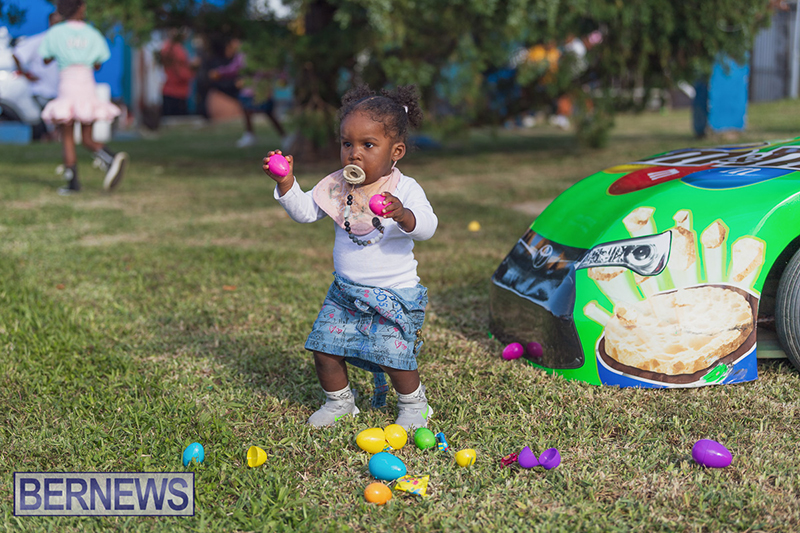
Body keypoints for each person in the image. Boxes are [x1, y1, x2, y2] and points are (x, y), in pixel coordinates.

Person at [263, 84, 437, 430]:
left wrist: (403, 215)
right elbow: (305, 212)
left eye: (368, 145)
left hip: (393, 293)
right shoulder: (337, 186)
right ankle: (340, 402)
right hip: (345, 292)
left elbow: (428, 227)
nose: (354, 154)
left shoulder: (404, 189)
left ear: (395, 151)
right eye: (347, 144)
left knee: (395, 355)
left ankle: (415, 405)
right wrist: (286, 184)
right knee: (325, 348)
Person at [38, 0, 129, 195]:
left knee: (68, 137)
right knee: (87, 137)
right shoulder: (92, 33)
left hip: (68, 84)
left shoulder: (56, 32)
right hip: (87, 85)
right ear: (80, 8)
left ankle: (72, 183)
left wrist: (62, 49)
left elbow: (45, 59)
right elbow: (98, 64)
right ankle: (109, 157)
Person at [210, 38, 285, 148]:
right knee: (247, 110)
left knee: (268, 112)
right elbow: (234, 68)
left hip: (261, 88)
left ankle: (283, 136)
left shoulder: (257, 52)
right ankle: (250, 134)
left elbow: (272, 68)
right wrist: (220, 73)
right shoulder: (242, 54)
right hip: (248, 89)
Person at [12, 11, 63, 140]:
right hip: (42, 89)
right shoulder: (39, 40)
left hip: (61, 89)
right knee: (45, 123)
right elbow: (17, 54)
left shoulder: (66, 42)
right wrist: (26, 74)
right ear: (50, 22)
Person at [160, 28, 196, 117]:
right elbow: (181, 73)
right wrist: (193, 70)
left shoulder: (174, 47)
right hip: (174, 93)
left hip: (178, 92)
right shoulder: (173, 49)